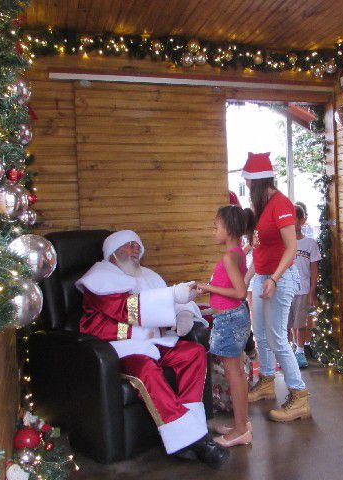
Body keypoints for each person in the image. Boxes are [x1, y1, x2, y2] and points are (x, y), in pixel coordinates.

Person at [76, 230, 229, 468]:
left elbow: (168, 301)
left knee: (193, 353)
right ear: (113, 253)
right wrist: (177, 293)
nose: (136, 250)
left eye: (138, 246)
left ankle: (192, 427)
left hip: (155, 342)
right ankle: (195, 440)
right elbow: (128, 310)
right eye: (129, 246)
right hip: (120, 349)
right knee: (146, 370)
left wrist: (184, 312)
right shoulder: (98, 279)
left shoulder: (148, 276)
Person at [242, 152, 311, 422]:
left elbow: (291, 248)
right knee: (260, 333)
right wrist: (250, 276)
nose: (246, 186)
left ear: (257, 181)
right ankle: (267, 381)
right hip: (263, 276)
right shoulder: (261, 205)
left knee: (277, 338)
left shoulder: (281, 204)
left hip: (279, 279)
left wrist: (273, 279)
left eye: (247, 181)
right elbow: (261, 248)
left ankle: (299, 396)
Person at [195, 206, 254, 448]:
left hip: (230, 319)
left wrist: (208, 288)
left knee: (234, 374)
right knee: (237, 372)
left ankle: (240, 430)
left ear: (229, 229)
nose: (213, 231)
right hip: (232, 317)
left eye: (216, 226)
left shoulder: (230, 256)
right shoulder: (238, 252)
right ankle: (243, 423)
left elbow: (240, 292)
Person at [289, 205, 321, 369]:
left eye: (294, 218)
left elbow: (314, 268)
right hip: (285, 291)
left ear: (302, 220)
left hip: (303, 290)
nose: (291, 222)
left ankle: (300, 351)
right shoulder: (284, 243)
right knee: (286, 324)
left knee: (301, 323)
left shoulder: (310, 243)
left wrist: (312, 291)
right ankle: (287, 352)